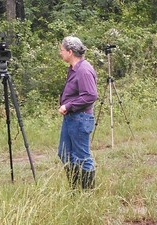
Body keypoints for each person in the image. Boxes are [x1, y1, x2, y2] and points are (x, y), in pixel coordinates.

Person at [58, 36, 98, 189]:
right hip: (71, 118)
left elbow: (90, 95)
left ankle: (87, 193)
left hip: (80, 119)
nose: (60, 53)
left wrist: (68, 106)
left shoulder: (84, 70)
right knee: (65, 154)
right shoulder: (74, 68)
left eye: (62, 50)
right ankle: (75, 190)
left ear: (70, 51)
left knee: (82, 157)